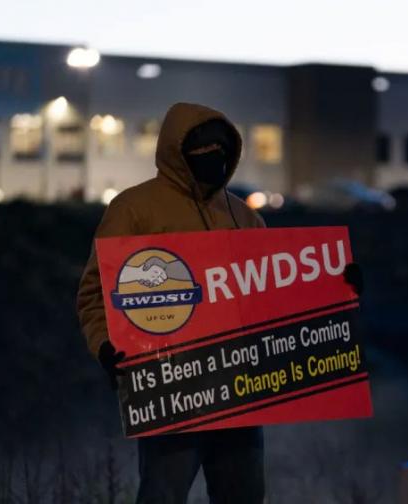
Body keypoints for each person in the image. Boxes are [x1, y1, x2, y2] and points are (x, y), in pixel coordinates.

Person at [76, 102, 362, 504]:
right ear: (178, 150)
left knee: (243, 496)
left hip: (240, 389)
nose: (216, 157)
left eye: (222, 149)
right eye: (204, 148)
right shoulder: (134, 209)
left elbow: (277, 293)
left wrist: (337, 288)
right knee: (162, 494)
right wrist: (106, 346)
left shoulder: (245, 217)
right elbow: (94, 292)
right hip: (170, 390)